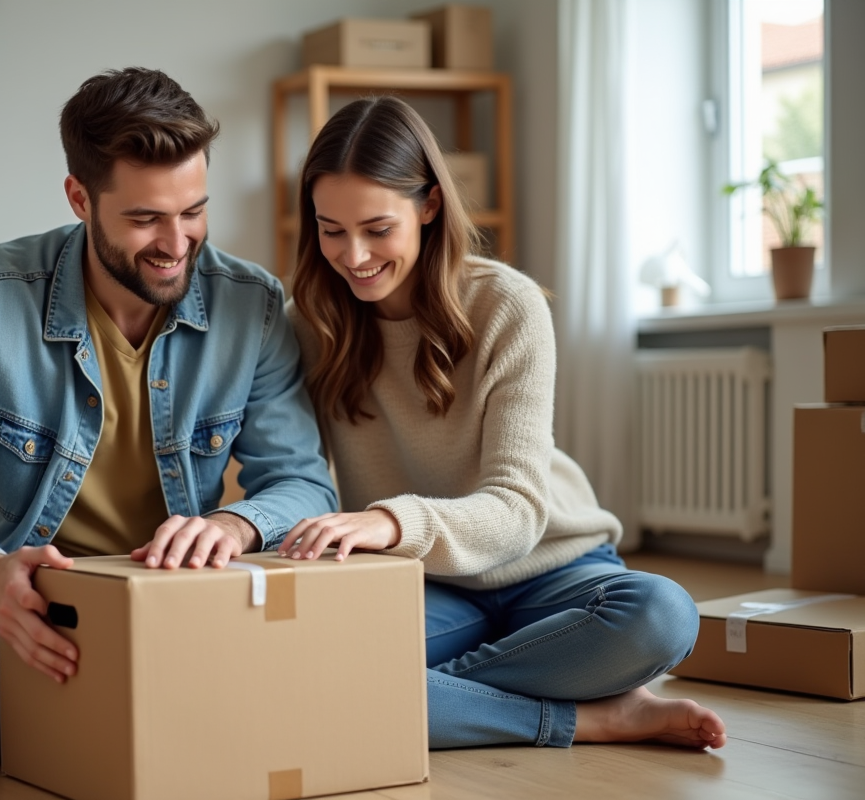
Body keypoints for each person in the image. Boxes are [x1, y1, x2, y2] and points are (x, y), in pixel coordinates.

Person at [0, 67, 337, 769]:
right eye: (143, 218)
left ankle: (113, 710)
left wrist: (232, 524)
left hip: (183, 610)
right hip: (29, 611)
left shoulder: (251, 305)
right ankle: (190, 709)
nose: (177, 242)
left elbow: (306, 486)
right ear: (79, 197)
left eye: (193, 210)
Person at [278, 96, 727, 751]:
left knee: (663, 615)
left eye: (378, 228)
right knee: (300, 662)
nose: (354, 255)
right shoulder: (309, 323)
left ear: (428, 206)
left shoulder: (506, 304)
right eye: (331, 230)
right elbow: (288, 467)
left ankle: (421, 699)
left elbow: (517, 511)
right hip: (423, 585)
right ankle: (589, 715)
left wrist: (391, 521)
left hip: (554, 570)